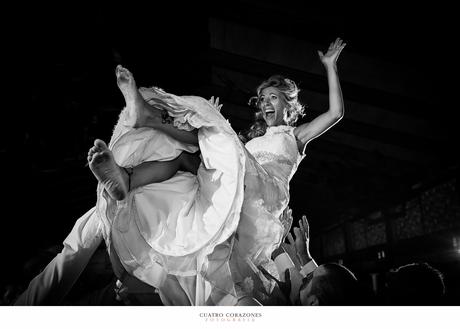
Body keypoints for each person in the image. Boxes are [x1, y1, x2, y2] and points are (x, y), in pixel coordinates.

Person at [15, 38, 346, 306]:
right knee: (187, 157)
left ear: (290, 104)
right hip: (234, 191)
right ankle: (131, 167)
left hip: (262, 197)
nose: (265, 104)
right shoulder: (251, 140)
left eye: (273, 97)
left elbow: (335, 113)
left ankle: (148, 125)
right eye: (262, 99)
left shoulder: (296, 136)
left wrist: (330, 67)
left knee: (210, 137)